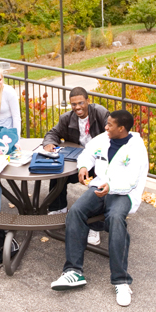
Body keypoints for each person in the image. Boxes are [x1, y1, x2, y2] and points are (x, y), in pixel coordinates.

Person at [51, 110, 149, 307]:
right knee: (76, 211)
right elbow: (88, 152)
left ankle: (121, 281)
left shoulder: (136, 148)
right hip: (100, 186)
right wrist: (83, 167)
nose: (106, 127)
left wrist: (111, 187)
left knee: (115, 219)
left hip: (123, 193)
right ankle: (73, 272)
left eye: (110, 125)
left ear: (121, 128)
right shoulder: (104, 138)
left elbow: (132, 180)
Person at [43, 86, 109, 245]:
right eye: (74, 104)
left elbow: (112, 135)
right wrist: (50, 143)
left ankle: (94, 226)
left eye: (81, 103)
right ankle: (58, 208)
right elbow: (53, 133)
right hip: (78, 160)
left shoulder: (100, 113)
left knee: (97, 188)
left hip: (99, 160)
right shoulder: (66, 118)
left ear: (88, 101)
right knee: (58, 172)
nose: (77, 107)